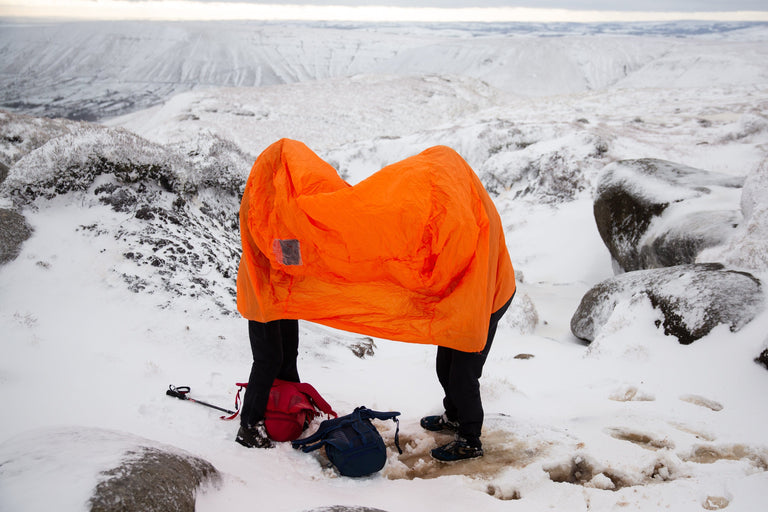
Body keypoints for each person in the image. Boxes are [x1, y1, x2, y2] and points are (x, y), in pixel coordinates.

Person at [234, 139, 516, 459]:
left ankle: (469, 437)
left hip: (484, 297)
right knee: (270, 359)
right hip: (265, 297)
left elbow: (295, 255)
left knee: (461, 373)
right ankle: (251, 425)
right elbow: (287, 254)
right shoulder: (269, 213)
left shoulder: (467, 219)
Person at [235, 319, 299, 448]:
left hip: (284, 302)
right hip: (262, 304)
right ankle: (249, 425)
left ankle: (289, 409)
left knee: (288, 352)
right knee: (268, 359)